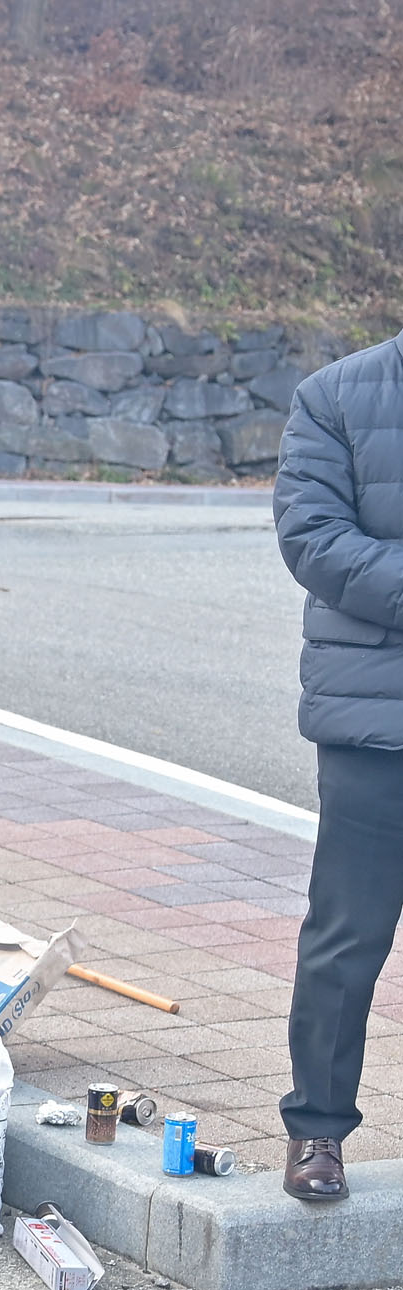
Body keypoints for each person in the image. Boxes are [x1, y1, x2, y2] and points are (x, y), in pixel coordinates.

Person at [273, 324, 403, 1202]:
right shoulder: (336, 396)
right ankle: (317, 1129)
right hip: (373, 718)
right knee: (347, 937)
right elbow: (314, 539)